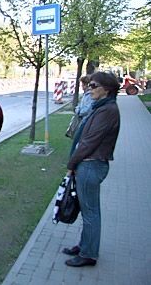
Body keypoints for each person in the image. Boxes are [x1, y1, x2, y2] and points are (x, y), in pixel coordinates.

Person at [63, 72, 121, 267]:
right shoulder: (102, 107)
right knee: (87, 210)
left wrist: (71, 165)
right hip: (89, 163)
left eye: (94, 85)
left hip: (91, 164)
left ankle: (89, 253)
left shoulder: (107, 110)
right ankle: (84, 245)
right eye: (90, 84)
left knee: (90, 212)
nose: (89, 88)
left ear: (107, 89)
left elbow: (88, 142)